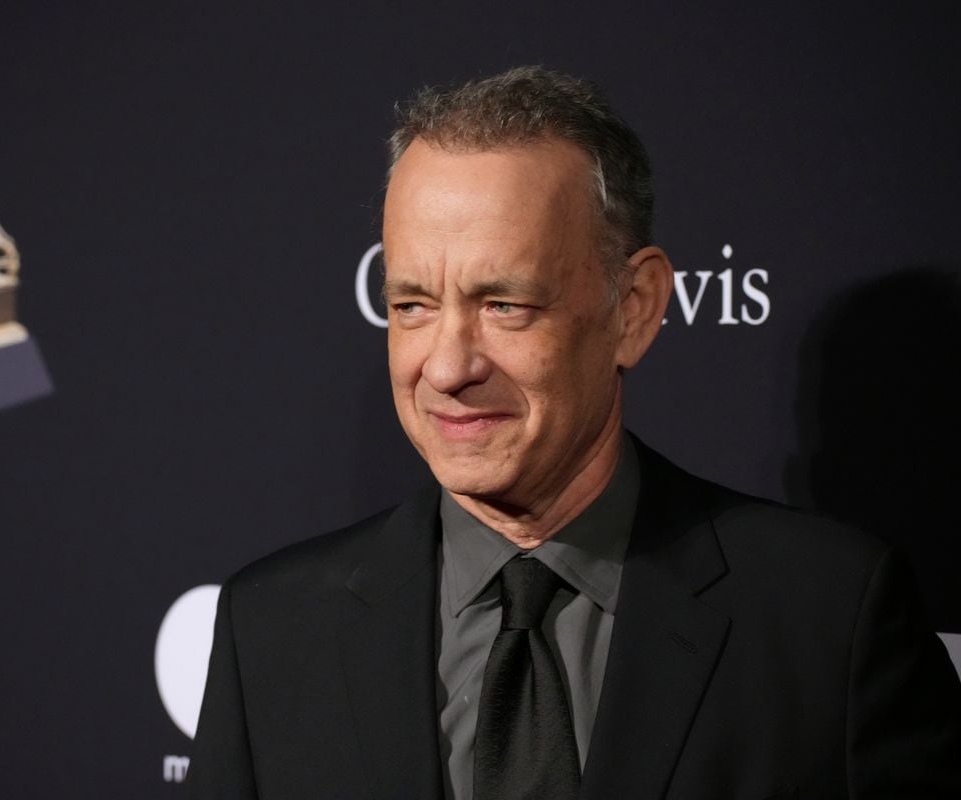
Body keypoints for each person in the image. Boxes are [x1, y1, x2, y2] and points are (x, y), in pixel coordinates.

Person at [189, 66, 961, 799]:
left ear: (634, 309)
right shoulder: (273, 633)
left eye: (505, 303)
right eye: (413, 305)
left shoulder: (828, 620)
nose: (448, 366)